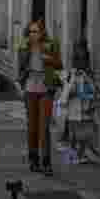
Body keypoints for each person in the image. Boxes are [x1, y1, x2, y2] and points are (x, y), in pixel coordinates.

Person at [18, 20, 62, 174]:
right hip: (30, 88)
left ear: (42, 32)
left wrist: (48, 59)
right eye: (30, 32)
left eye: (36, 31)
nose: (33, 35)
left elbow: (59, 64)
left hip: (46, 88)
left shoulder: (51, 44)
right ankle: (33, 159)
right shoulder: (24, 47)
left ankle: (46, 162)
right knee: (32, 127)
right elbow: (20, 68)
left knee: (44, 127)